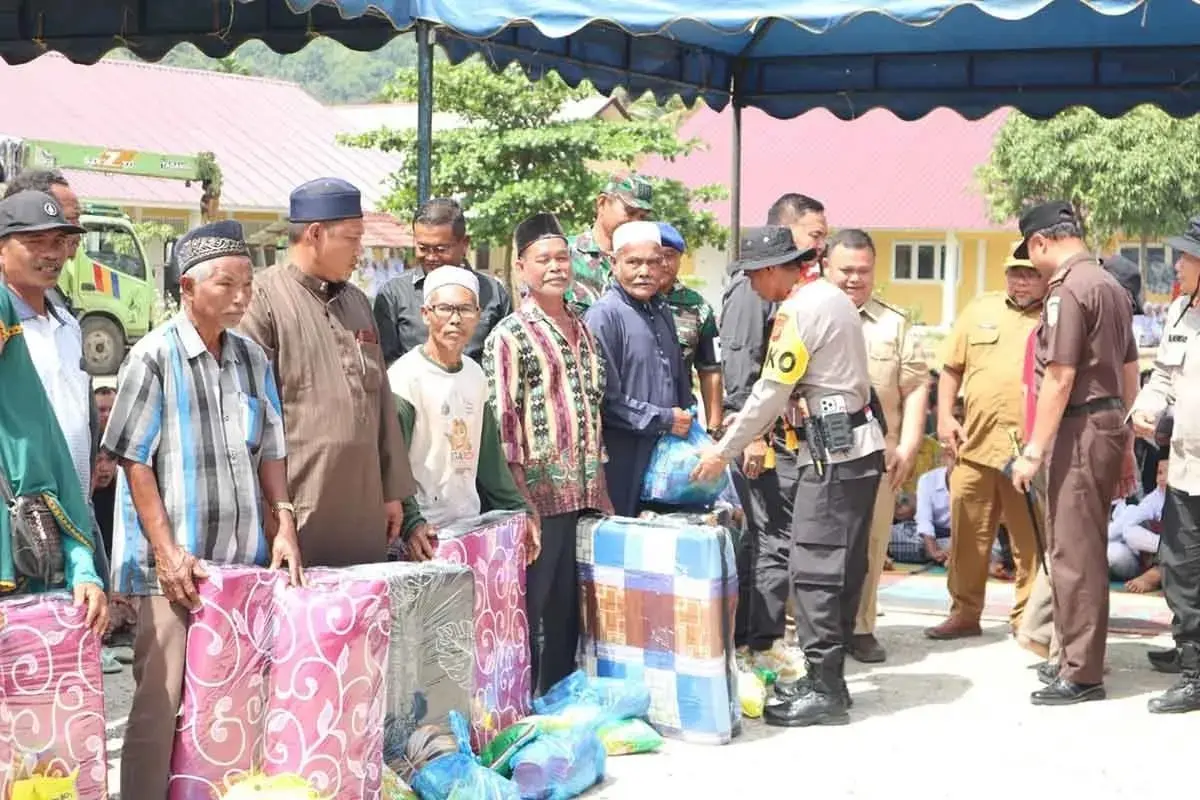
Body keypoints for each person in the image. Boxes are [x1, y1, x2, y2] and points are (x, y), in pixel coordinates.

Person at [103, 221, 302, 800]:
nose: (241, 297)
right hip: (175, 568)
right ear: (187, 287)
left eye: (247, 284)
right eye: (226, 284)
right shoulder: (153, 356)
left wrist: (283, 523)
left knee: (233, 693)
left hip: (241, 560)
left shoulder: (250, 357)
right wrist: (167, 554)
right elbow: (133, 460)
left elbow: (273, 448)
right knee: (158, 702)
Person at [693, 225, 885, 726]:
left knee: (815, 568)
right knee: (839, 566)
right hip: (853, 446)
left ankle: (825, 689)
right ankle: (829, 677)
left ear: (778, 269)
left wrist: (723, 450)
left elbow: (774, 387)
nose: (755, 286)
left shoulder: (800, 309)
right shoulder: (830, 297)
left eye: (757, 275)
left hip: (832, 453)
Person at [239, 178, 416, 568]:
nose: (360, 251)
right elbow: (250, 417)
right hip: (299, 508)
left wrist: (392, 493)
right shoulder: (263, 302)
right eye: (352, 239)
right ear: (315, 234)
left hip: (364, 508)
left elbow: (381, 401)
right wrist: (273, 510)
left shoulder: (357, 303)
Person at [1010, 201, 1138, 706]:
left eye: (1031, 253)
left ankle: (1082, 672)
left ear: (1041, 242)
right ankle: (1073, 659)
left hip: (1079, 428)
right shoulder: (1109, 284)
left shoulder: (1067, 290)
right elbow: (1129, 369)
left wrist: (1034, 450)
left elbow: (1060, 377)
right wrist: (1125, 439)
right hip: (1105, 423)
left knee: (1074, 553)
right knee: (1080, 546)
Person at [483, 212, 613, 694]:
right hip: (538, 497)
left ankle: (562, 704)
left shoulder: (583, 328)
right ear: (521, 268)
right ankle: (521, 705)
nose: (557, 267)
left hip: (585, 495)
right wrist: (522, 503)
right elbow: (503, 425)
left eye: (563, 258)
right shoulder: (509, 335)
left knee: (569, 611)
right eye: (544, 260)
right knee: (530, 609)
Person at [722, 194, 827, 670]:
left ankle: (760, 637)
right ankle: (756, 641)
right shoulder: (751, 291)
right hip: (760, 438)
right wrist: (755, 438)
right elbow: (742, 369)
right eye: (813, 236)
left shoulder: (794, 293)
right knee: (768, 539)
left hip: (783, 434)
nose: (818, 249)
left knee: (776, 539)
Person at [926, 247, 1047, 640]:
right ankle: (964, 613)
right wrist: (945, 417)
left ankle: (1027, 620)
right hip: (974, 447)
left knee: (1030, 543)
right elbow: (950, 368)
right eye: (1014, 272)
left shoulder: (1055, 315)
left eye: (1029, 273)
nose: (1020, 280)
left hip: (1025, 454)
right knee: (966, 541)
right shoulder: (981, 308)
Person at [0, 190, 106, 627]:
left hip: (50, 527)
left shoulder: (66, 324)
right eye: (34, 242)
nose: (51, 254)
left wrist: (83, 564)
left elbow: (56, 447)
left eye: (58, 241)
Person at [823, 228, 929, 663]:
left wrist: (908, 447)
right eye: (845, 270)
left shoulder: (894, 323)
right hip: (820, 455)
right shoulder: (806, 314)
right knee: (820, 542)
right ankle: (815, 625)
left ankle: (861, 627)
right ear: (826, 267)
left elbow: (917, 386)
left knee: (871, 543)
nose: (854, 279)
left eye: (863, 271)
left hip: (880, 456)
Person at [386, 265, 538, 560]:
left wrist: (520, 511)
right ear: (426, 313)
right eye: (445, 309)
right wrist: (412, 521)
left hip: (467, 528)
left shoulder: (475, 375)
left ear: (479, 316)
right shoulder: (405, 378)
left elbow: (489, 460)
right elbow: (393, 462)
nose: (455, 319)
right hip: (421, 534)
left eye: (465, 310)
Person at [1130, 214, 1200, 713]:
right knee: (1179, 569)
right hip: (1183, 469)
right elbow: (1161, 376)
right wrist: (1147, 407)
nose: (1178, 263)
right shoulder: (1179, 310)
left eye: (1187, 256)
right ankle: (1191, 658)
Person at [584, 220, 694, 518]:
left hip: (665, 455)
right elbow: (605, 400)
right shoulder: (604, 316)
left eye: (652, 263)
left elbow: (678, 379)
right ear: (614, 262)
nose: (644, 271)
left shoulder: (660, 310)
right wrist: (664, 418)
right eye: (633, 262)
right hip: (623, 457)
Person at [374, 198, 511, 365]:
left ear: (464, 244)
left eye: (441, 249)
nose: (431, 257)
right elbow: (385, 362)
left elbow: (505, 359)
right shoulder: (394, 294)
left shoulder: (493, 293)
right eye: (423, 248)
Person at [657, 222, 723, 433]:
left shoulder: (697, 307)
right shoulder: (626, 301)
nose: (664, 263)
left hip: (682, 423)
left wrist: (714, 428)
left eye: (670, 255)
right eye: (658, 255)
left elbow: (711, 370)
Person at [567, 174, 653, 313]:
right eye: (630, 212)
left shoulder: (646, 264)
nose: (636, 222)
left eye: (642, 217)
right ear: (602, 203)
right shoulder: (564, 255)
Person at [1106, 456, 1166, 581]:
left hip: (1141, 557)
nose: (1162, 478)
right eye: (1159, 473)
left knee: (1114, 550)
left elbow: (1124, 528)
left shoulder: (1131, 503)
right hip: (1127, 547)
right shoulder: (1156, 496)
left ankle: (1169, 551)